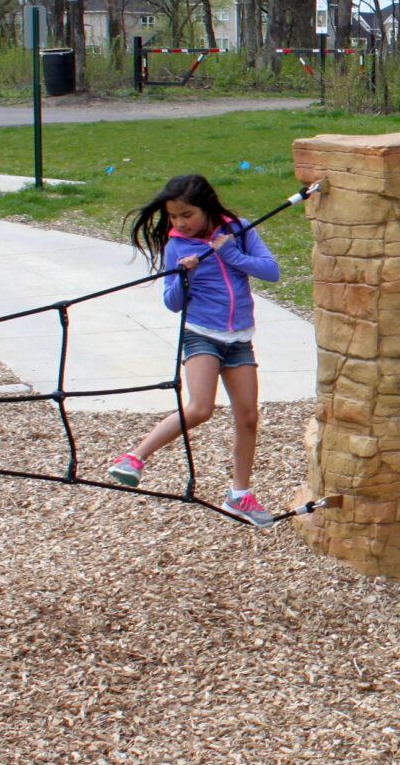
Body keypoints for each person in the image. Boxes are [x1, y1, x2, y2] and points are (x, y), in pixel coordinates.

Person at [106, 173, 281, 527]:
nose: (179, 223)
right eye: (172, 217)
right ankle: (134, 459)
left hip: (239, 338)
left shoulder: (239, 229)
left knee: (248, 417)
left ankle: (239, 496)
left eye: (186, 215)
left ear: (206, 208)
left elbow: (271, 271)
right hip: (201, 333)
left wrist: (231, 253)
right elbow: (172, 302)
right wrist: (185, 278)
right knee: (200, 408)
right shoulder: (176, 246)